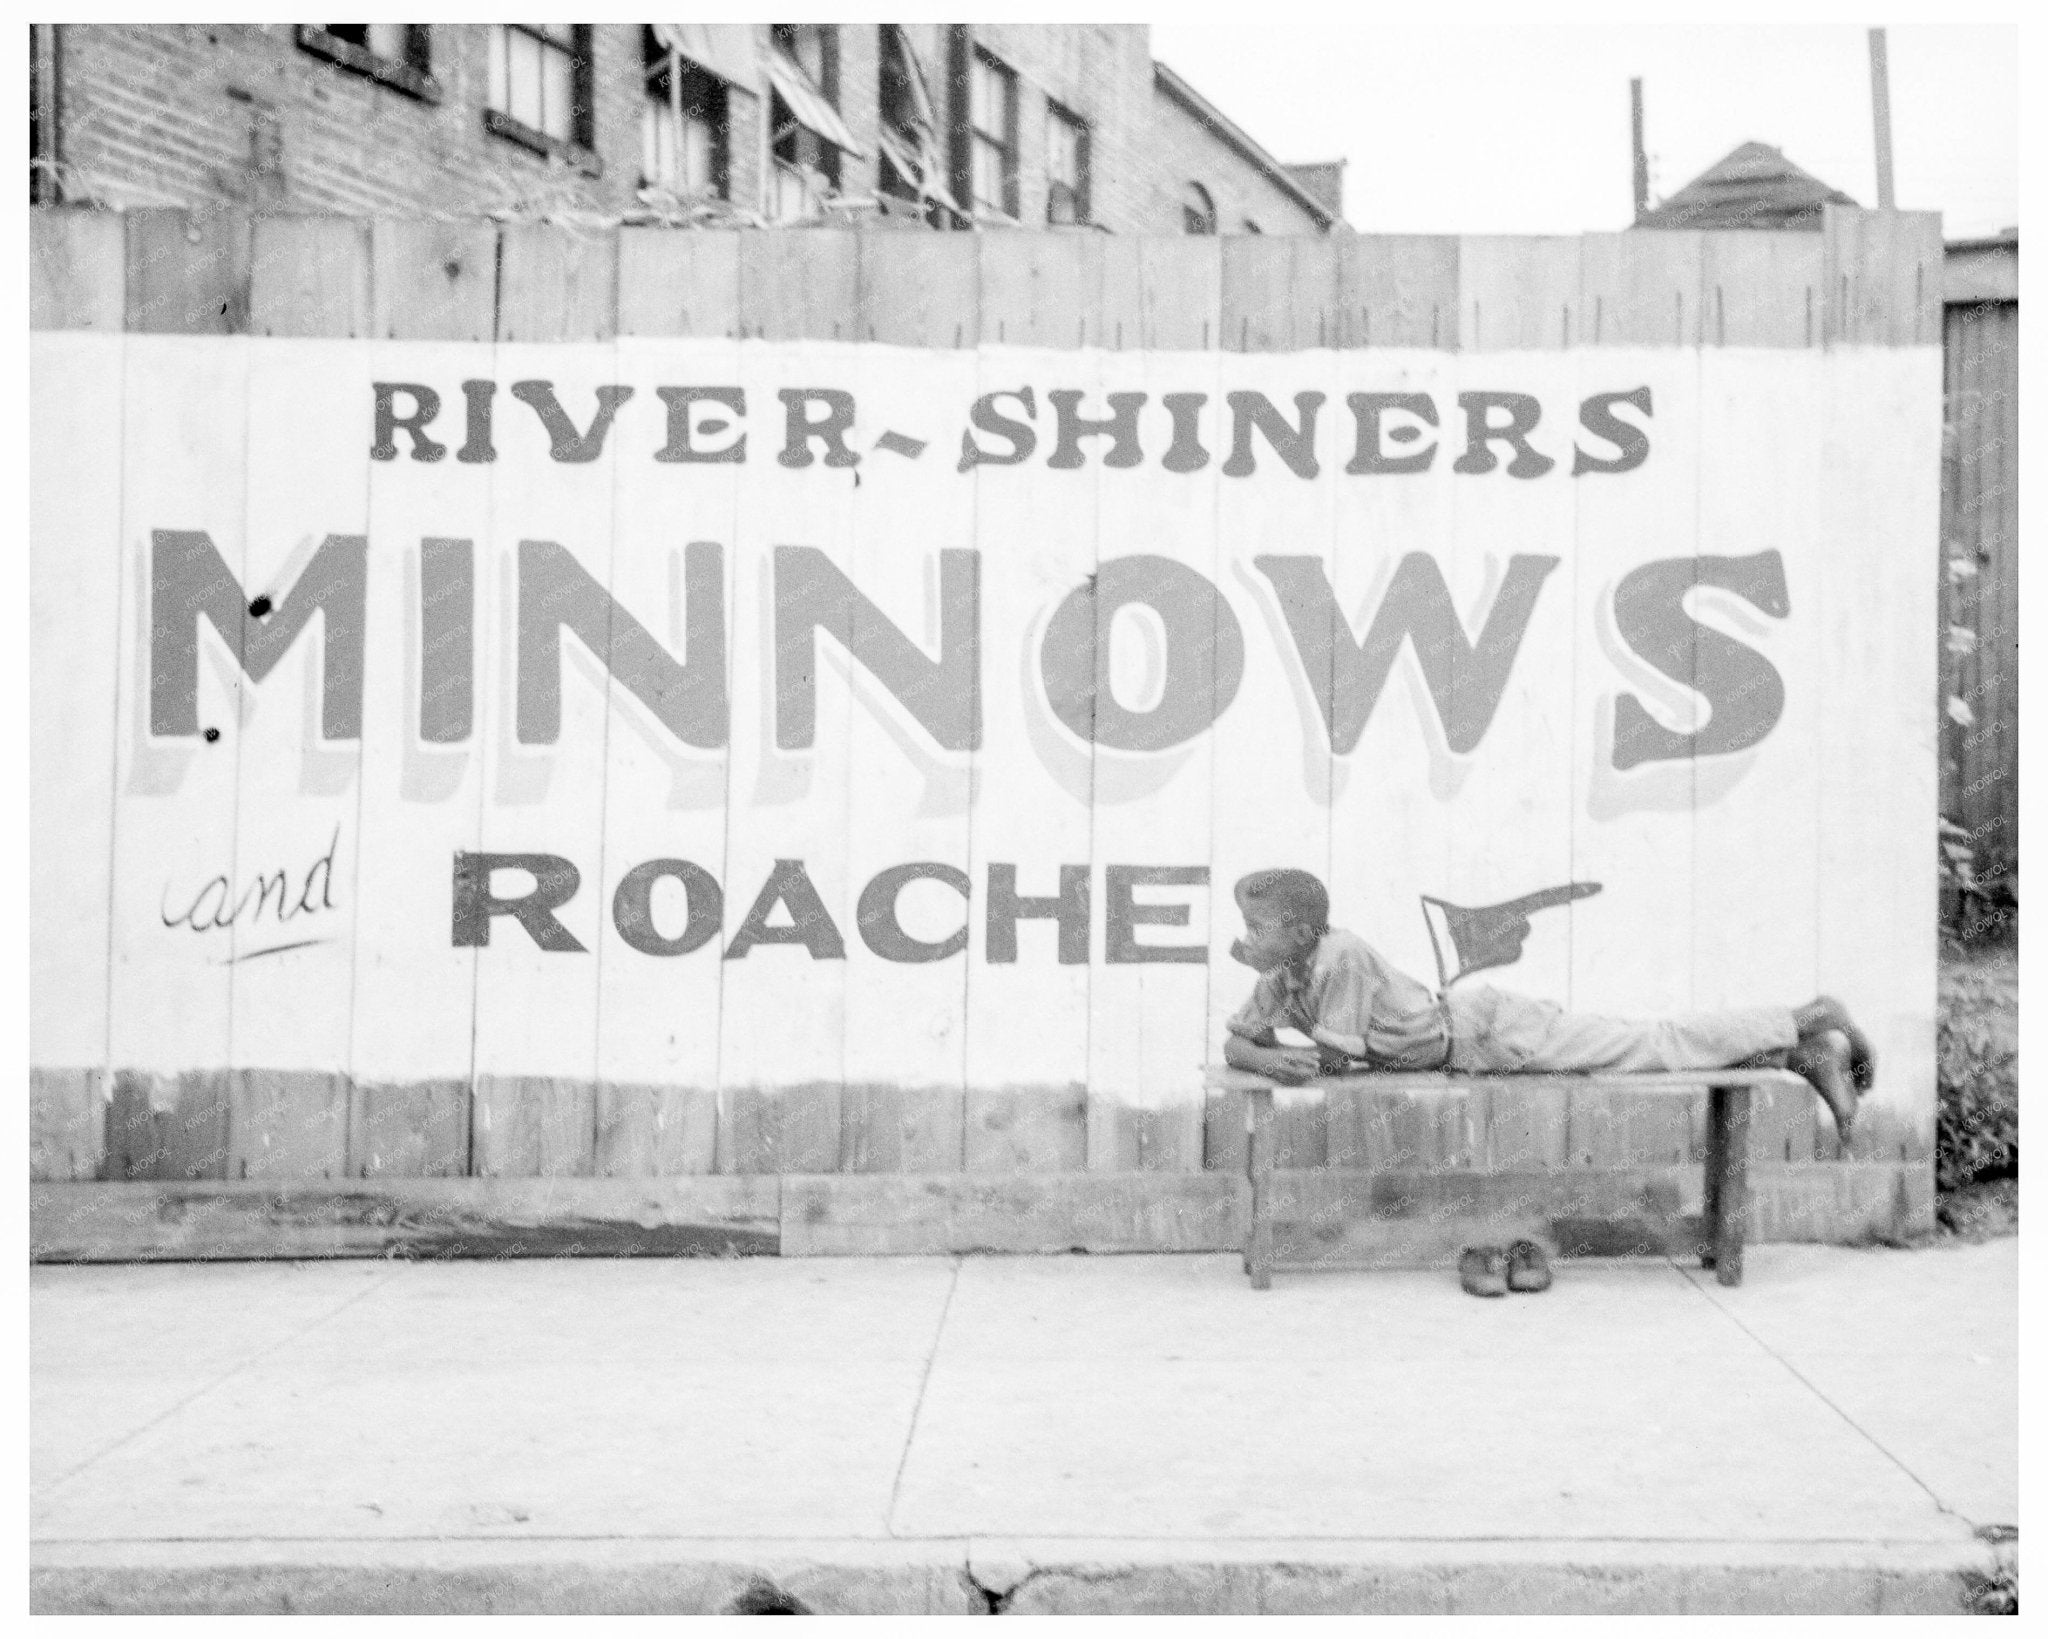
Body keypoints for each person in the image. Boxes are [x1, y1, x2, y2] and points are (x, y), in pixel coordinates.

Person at [1221, 866, 1873, 1139]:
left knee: (1650, 1044)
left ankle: (1805, 1015)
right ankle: (1798, 1052)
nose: (1247, 941)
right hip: (1471, 1048)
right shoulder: (1284, 972)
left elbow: (1333, 1064)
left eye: (1259, 930)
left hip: (1491, 1031)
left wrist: (1273, 1055)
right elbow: (1237, 1040)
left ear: (1302, 932)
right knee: (1649, 1050)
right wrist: (1263, 1055)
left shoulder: (1340, 956)